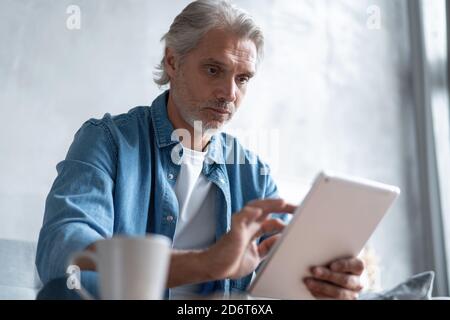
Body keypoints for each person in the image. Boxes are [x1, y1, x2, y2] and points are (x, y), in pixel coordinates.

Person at [36, 0, 364, 300]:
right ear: (173, 62)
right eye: (213, 70)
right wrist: (208, 264)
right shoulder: (108, 142)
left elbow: (282, 282)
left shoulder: (253, 174)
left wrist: (327, 283)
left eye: (243, 78)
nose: (229, 93)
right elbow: (64, 255)